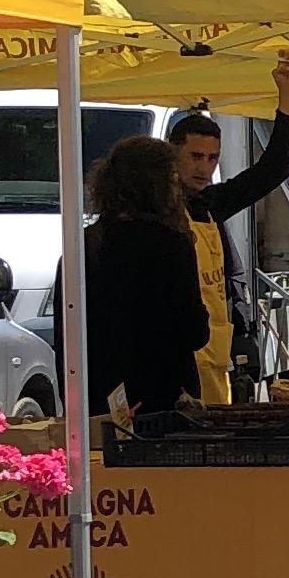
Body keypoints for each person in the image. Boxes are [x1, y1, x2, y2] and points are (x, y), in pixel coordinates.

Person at [166, 54, 289, 400]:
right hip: (174, 364)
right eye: (196, 157)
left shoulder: (210, 203)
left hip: (217, 358)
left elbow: (272, 171)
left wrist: (287, 95)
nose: (205, 168)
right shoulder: (157, 213)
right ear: (172, 155)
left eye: (213, 158)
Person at [81, 136, 207, 417]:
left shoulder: (85, 245)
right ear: (159, 185)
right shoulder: (172, 244)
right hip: (163, 400)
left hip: (100, 397)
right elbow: (194, 332)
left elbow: (68, 334)